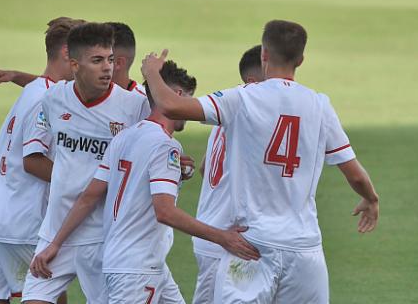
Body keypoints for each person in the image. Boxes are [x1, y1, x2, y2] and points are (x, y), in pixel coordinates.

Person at [141, 20, 379, 303]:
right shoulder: (320, 104)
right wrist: (371, 199)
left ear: (264, 54)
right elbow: (354, 175)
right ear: (301, 59)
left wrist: (152, 73)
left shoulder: (242, 98)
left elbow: (171, 105)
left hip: (251, 246)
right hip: (304, 249)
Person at [28, 61, 259, 304]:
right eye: (187, 99)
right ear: (177, 96)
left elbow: (89, 196)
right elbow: (165, 212)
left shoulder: (123, 137)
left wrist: (55, 243)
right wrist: (223, 237)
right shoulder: (165, 146)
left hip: (137, 263)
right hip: (137, 270)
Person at [21, 23, 150, 304]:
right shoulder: (54, 99)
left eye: (110, 59)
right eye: (97, 60)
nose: (107, 68)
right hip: (56, 230)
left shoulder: (134, 107)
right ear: (74, 64)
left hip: (104, 236)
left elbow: (153, 153)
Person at [0, 17, 83, 304]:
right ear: (68, 53)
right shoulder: (48, 100)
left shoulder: (37, 89)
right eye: (89, 55)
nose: (95, 65)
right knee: (48, 295)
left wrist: (16, 75)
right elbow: (33, 161)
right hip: (23, 221)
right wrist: (85, 185)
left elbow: (45, 86)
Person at [192, 45, 264, 304]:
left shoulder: (229, 113)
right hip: (224, 239)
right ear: (252, 82)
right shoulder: (249, 118)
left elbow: (204, 168)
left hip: (214, 230)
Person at [0, 22, 146, 97]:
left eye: (103, 58)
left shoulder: (141, 102)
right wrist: (15, 76)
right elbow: (51, 88)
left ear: (117, 63)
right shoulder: (89, 90)